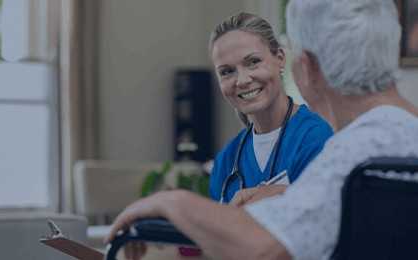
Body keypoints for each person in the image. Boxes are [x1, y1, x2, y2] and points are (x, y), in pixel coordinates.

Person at [105, 0, 418, 259]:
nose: (243, 79)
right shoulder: (397, 135)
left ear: (304, 65)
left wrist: (168, 202)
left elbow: (262, 247)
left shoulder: (353, 153)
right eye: (227, 71)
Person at [208, 12, 333, 203]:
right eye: (227, 71)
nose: (242, 80)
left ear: (280, 58)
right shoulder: (225, 162)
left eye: (253, 62)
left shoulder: (316, 136)